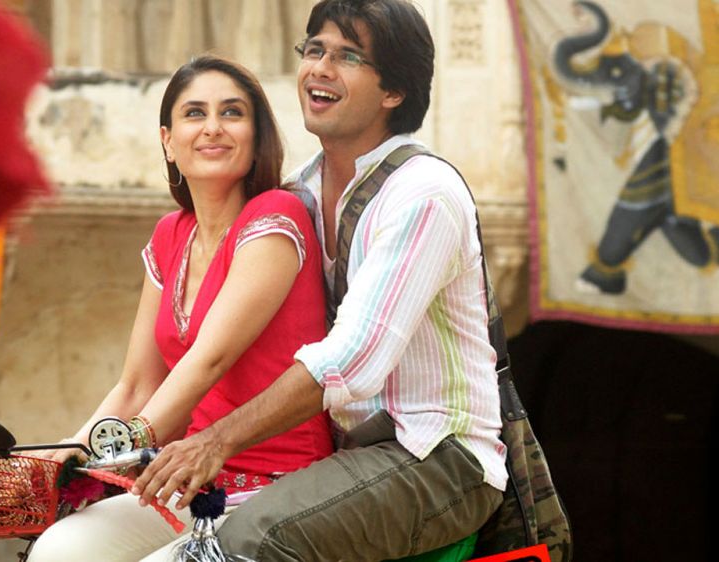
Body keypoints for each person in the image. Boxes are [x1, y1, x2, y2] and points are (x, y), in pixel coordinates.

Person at [133, 1, 509, 560]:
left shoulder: (423, 193)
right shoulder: (300, 192)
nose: (321, 69)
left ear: (394, 91)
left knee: (251, 537)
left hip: (437, 456)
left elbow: (351, 359)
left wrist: (216, 440)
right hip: (349, 452)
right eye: (314, 50)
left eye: (348, 57)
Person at [28, 55, 334, 562]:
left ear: (256, 137)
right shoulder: (171, 234)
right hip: (191, 480)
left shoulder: (276, 216)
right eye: (195, 113)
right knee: (58, 551)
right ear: (168, 141)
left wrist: (119, 444)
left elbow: (209, 360)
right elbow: (136, 384)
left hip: (277, 486)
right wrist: (67, 452)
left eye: (232, 112)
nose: (213, 127)